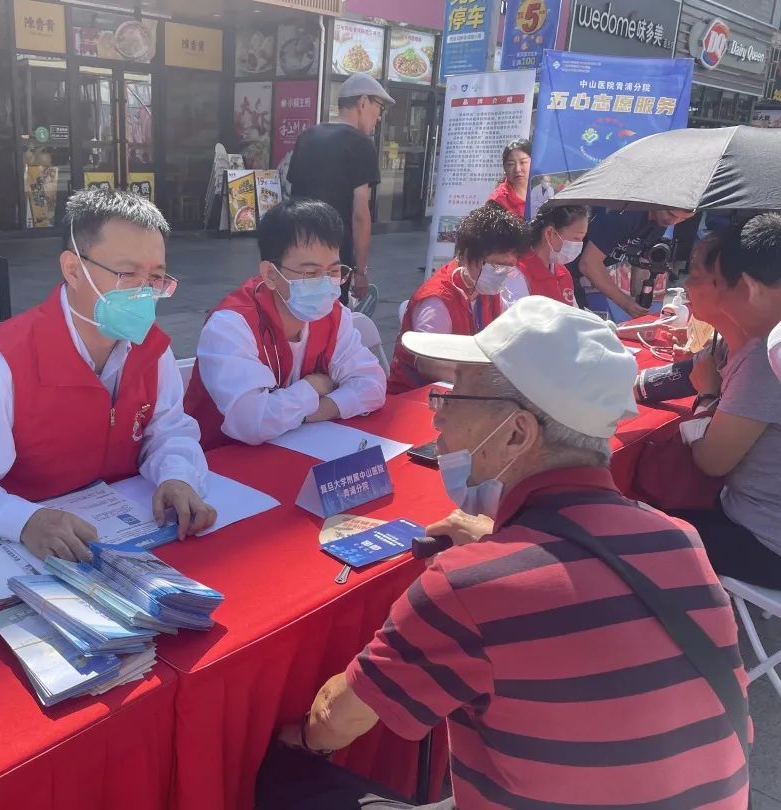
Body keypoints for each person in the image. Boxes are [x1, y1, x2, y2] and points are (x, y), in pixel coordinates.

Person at [261, 296, 750, 810]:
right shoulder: (678, 539)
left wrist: (302, 742)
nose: (438, 419)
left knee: (289, 780)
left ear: (517, 432)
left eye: (453, 396)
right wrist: (507, 543)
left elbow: (335, 720)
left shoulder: (470, 586)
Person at [0, 188, 216, 562]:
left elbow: (168, 430)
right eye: (127, 273)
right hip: (22, 550)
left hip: (124, 537)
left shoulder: (152, 349)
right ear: (73, 269)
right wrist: (23, 520)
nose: (145, 292)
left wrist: (177, 476)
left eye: (156, 277)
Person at [184, 199, 386, 450]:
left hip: (303, 446)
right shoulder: (231, 325)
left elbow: (372, 384)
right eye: (310, 274)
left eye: (333, 271)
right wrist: (313, 387)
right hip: (222, 459)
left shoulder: (333, 315)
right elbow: (252, 423)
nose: (325, 284)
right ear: (270, 274)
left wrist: (310, 412)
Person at [677, 216, 781, 589]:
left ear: (749, 286)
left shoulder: (766, 358)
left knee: (635, 530)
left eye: (720, 283)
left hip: (765, 543)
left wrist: (707, 395)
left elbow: (711, 461)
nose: (718, 296)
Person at [388, 205, 530, 394]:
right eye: (496, 266)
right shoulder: (437, 300)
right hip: (417, 394)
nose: (502, 274)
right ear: (465, 256)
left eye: (509, 267)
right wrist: (485, 381)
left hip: (463, 390)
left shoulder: (488, 288)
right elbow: (428, 363)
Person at [287, 73, 391, 306]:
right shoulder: (361, 144)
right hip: (334, 259)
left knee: (301, 312)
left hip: (297, 252)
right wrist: (360, 271)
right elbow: (360, 215)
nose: (378, 117)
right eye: (379, 107)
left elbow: (293, 198)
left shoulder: (307, 137)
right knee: (332, 315)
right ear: (363, 102)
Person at [565, 206, 694, 317]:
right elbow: (588, 264)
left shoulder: (660, 221)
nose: (673, 221)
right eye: (671, 214)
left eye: (683, 219)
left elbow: (642, 263)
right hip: (562, 269)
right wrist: (625, 302)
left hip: (574, 274)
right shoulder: (624, 215)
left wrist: (640, 302)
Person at [517, 204, 587, 306]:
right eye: (576, 238)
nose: (579, 244)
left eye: (582, 239)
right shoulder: (519, 272)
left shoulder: (563, 273)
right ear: (549, 233)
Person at [487, 139, 530, 219]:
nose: (517, 169)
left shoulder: (545, 191)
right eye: (511, 164)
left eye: (523, 162)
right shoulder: (497, 202)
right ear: (504, 168)